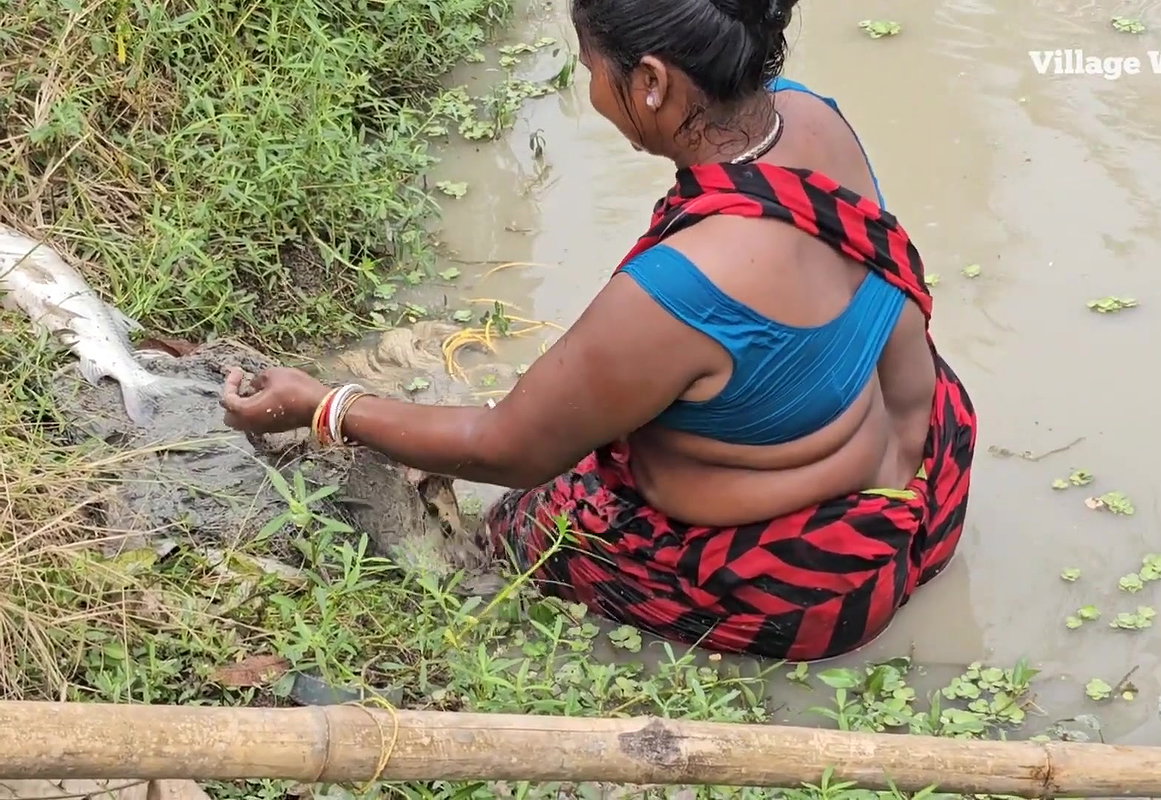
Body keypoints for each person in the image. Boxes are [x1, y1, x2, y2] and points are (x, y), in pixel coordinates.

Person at [220, 0, 977, 662]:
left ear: (650, 82)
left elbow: (507, 448)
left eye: (590, 69)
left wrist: (325, 406)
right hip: (931, 480)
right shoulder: (811, 115)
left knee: (511, 534)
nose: (588, 90)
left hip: (807, 584)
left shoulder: (679, 290)